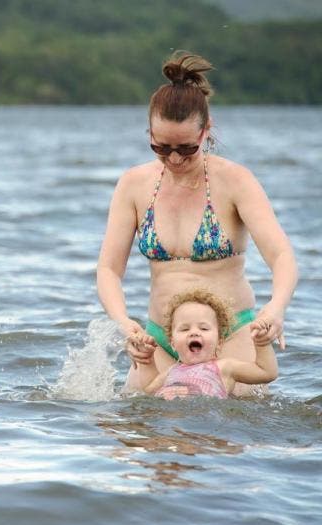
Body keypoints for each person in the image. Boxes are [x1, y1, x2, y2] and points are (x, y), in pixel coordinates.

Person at [96, 51, 297, 394]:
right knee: (135, 427)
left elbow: (282, 257)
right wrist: (126, 325)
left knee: (224, 429)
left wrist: (275, 309)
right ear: (150, 132)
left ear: (206, 130)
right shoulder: (134, 184)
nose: (174, 158)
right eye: (161, 147)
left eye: (186, 148)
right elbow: (109, 270)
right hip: (160, 338)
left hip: (230, 335)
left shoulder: (235, 181)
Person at [143, 288, 277, 400]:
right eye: (185, 329)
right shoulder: (170, 372)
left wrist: (261, 343)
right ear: (172, 343)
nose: (194, 332)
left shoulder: (225, 367)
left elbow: (266, 373)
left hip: (207, 424)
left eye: (204, 328)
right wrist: (148, 359)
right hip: (172, 425)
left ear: (219, 343)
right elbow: (148, 392)